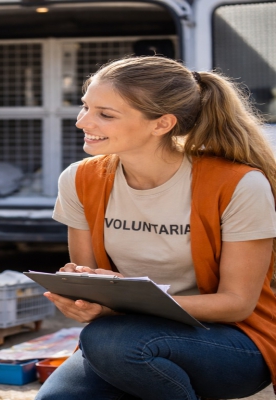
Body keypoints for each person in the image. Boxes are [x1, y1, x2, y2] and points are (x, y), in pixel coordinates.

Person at [38, 56, 276, 399]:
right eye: (85, 106)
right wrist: (87, 300)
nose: (82, 122)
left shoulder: (238, 184)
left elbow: (236, 303)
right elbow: (96, 284)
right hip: (126, 336)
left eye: (105, 114)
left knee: (107, 341)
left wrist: (131, 296)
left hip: (233, 341)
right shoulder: (79, 178)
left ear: (161, 124)